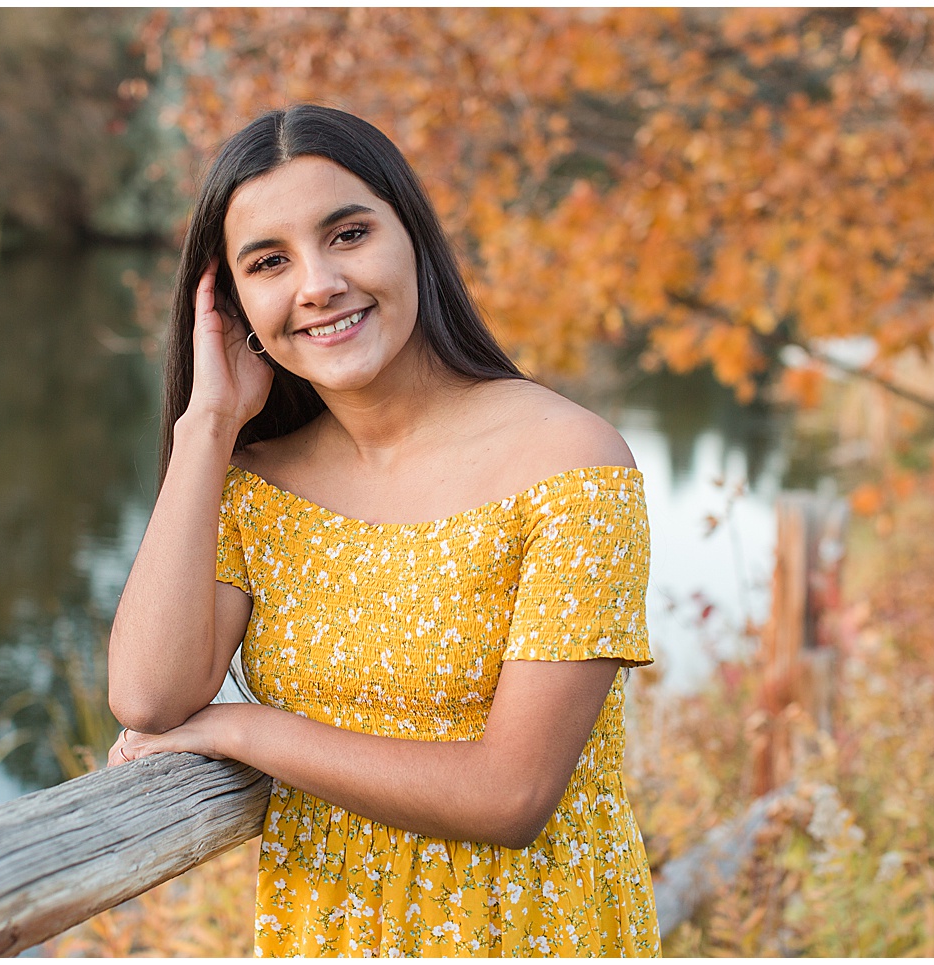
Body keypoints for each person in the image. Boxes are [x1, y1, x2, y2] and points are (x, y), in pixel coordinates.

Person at [106, 105, 659, 957]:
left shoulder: (571, 464)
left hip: (530, 934)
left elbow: (511, 795)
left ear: (414, 240)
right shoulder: (255, 484)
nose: (317, 283)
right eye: (269, 262)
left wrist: (240, 728)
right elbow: (147, 698)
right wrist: (206, 426)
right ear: (233, 304)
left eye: (349, 233)